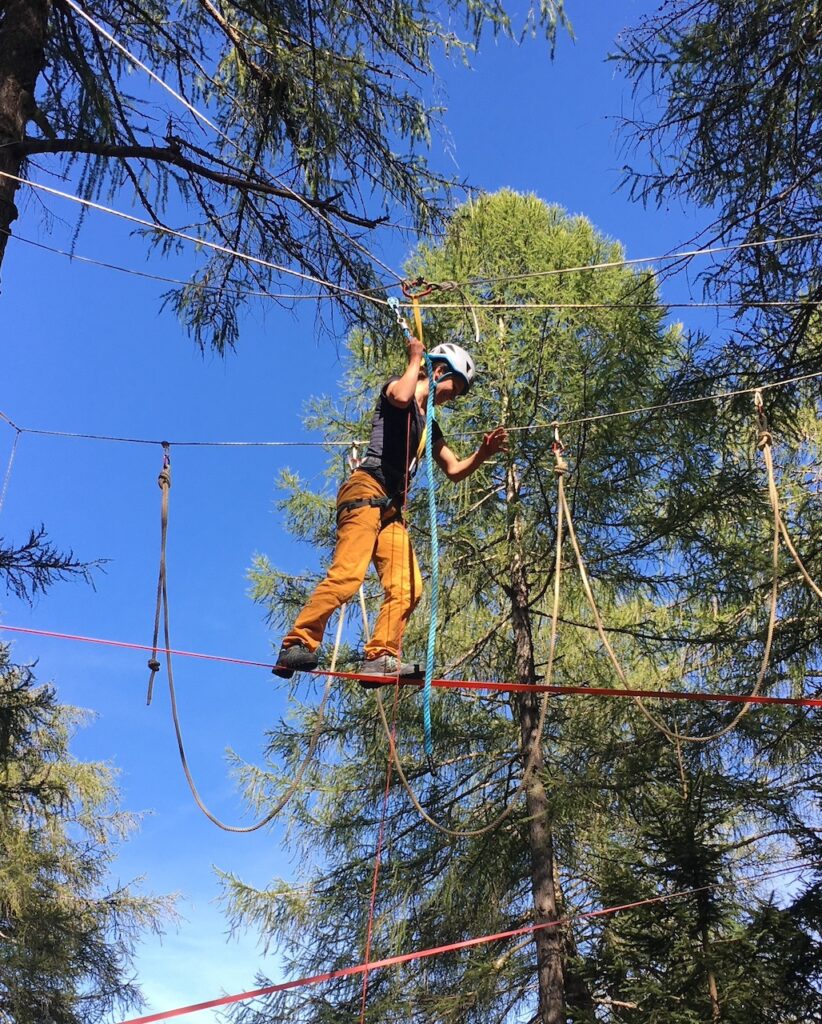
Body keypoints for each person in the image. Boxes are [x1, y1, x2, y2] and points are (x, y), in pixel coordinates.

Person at [273, 334, 508, 681]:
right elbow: (401, 396)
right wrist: (415, 359)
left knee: (408, 586)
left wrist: (482, 455)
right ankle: (296, 645)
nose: (452, 397)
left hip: (391, 508)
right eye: (454, 388)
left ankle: (380, 656)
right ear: (440, 371)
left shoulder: (430, 423)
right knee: (347, 577)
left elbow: (454, 470)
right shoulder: (398, 389)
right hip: (367, 488)